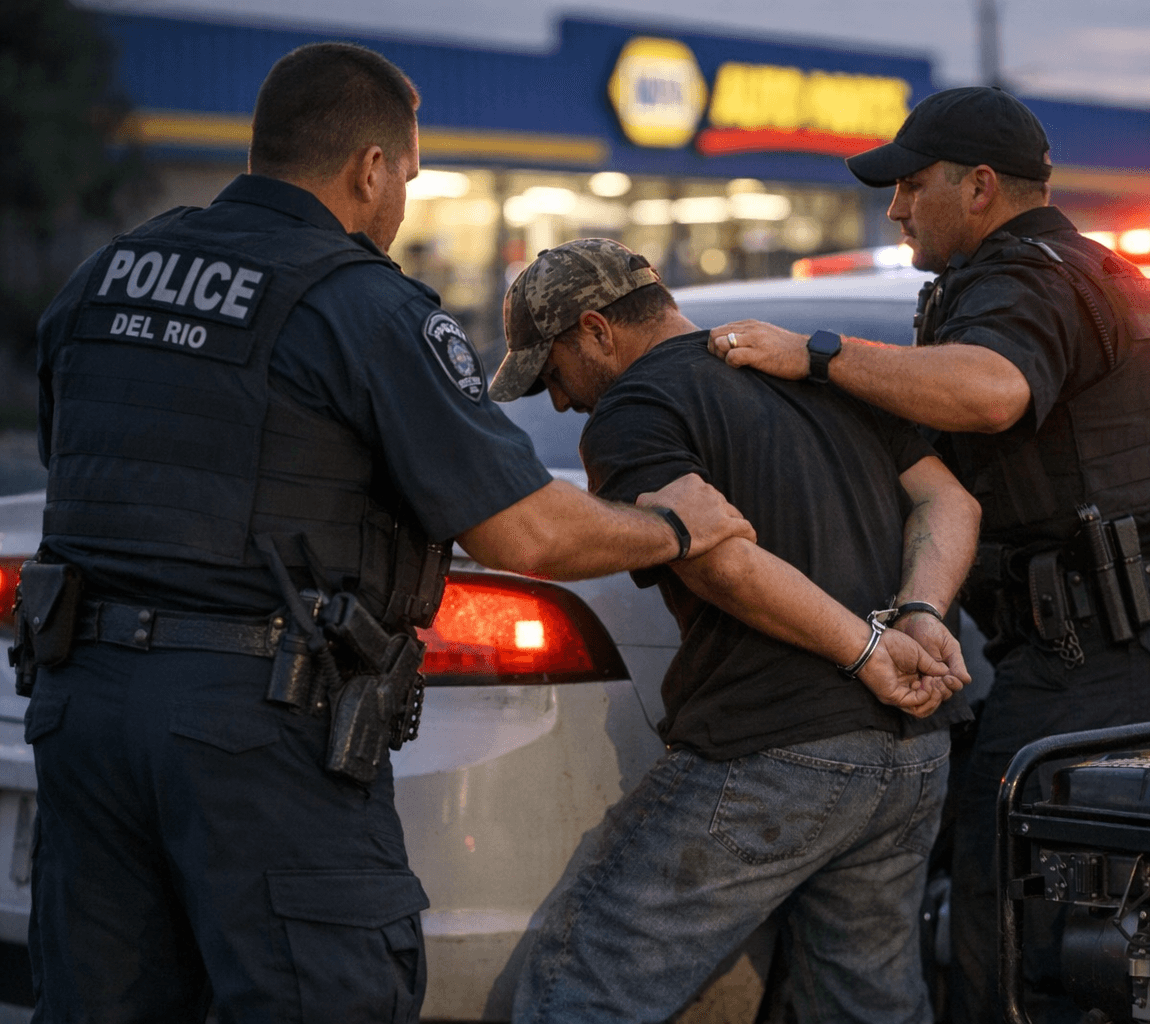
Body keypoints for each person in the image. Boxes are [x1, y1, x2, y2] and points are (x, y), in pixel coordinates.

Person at [20, 43, 754, 1024]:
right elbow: (524, 531)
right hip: (256, 729)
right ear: (371, 167)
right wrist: (671, 523)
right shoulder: (358, 303)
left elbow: (77, 468)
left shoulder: (106, 276)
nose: (403, 200)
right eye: (407, 174)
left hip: (82, 713)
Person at [705, 86, 1150, 1024]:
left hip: (1103, 663)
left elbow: (994, 389)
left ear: (980, 187)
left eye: (911, 185)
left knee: (1028, 963)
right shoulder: (1095, 269)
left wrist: (818, 355)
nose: (894, 207)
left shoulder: (1021, 277)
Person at [485, 237, 982, 1023]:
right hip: (912, 752)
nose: (556, 400)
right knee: (867, 1006)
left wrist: (867, 649)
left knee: (581, 987)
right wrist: (915, 615)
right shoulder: (807, 372)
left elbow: (721, 560)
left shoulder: (635, 407)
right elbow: (952, 502)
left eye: (551, 372)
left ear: (595, 330)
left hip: (774, 749)